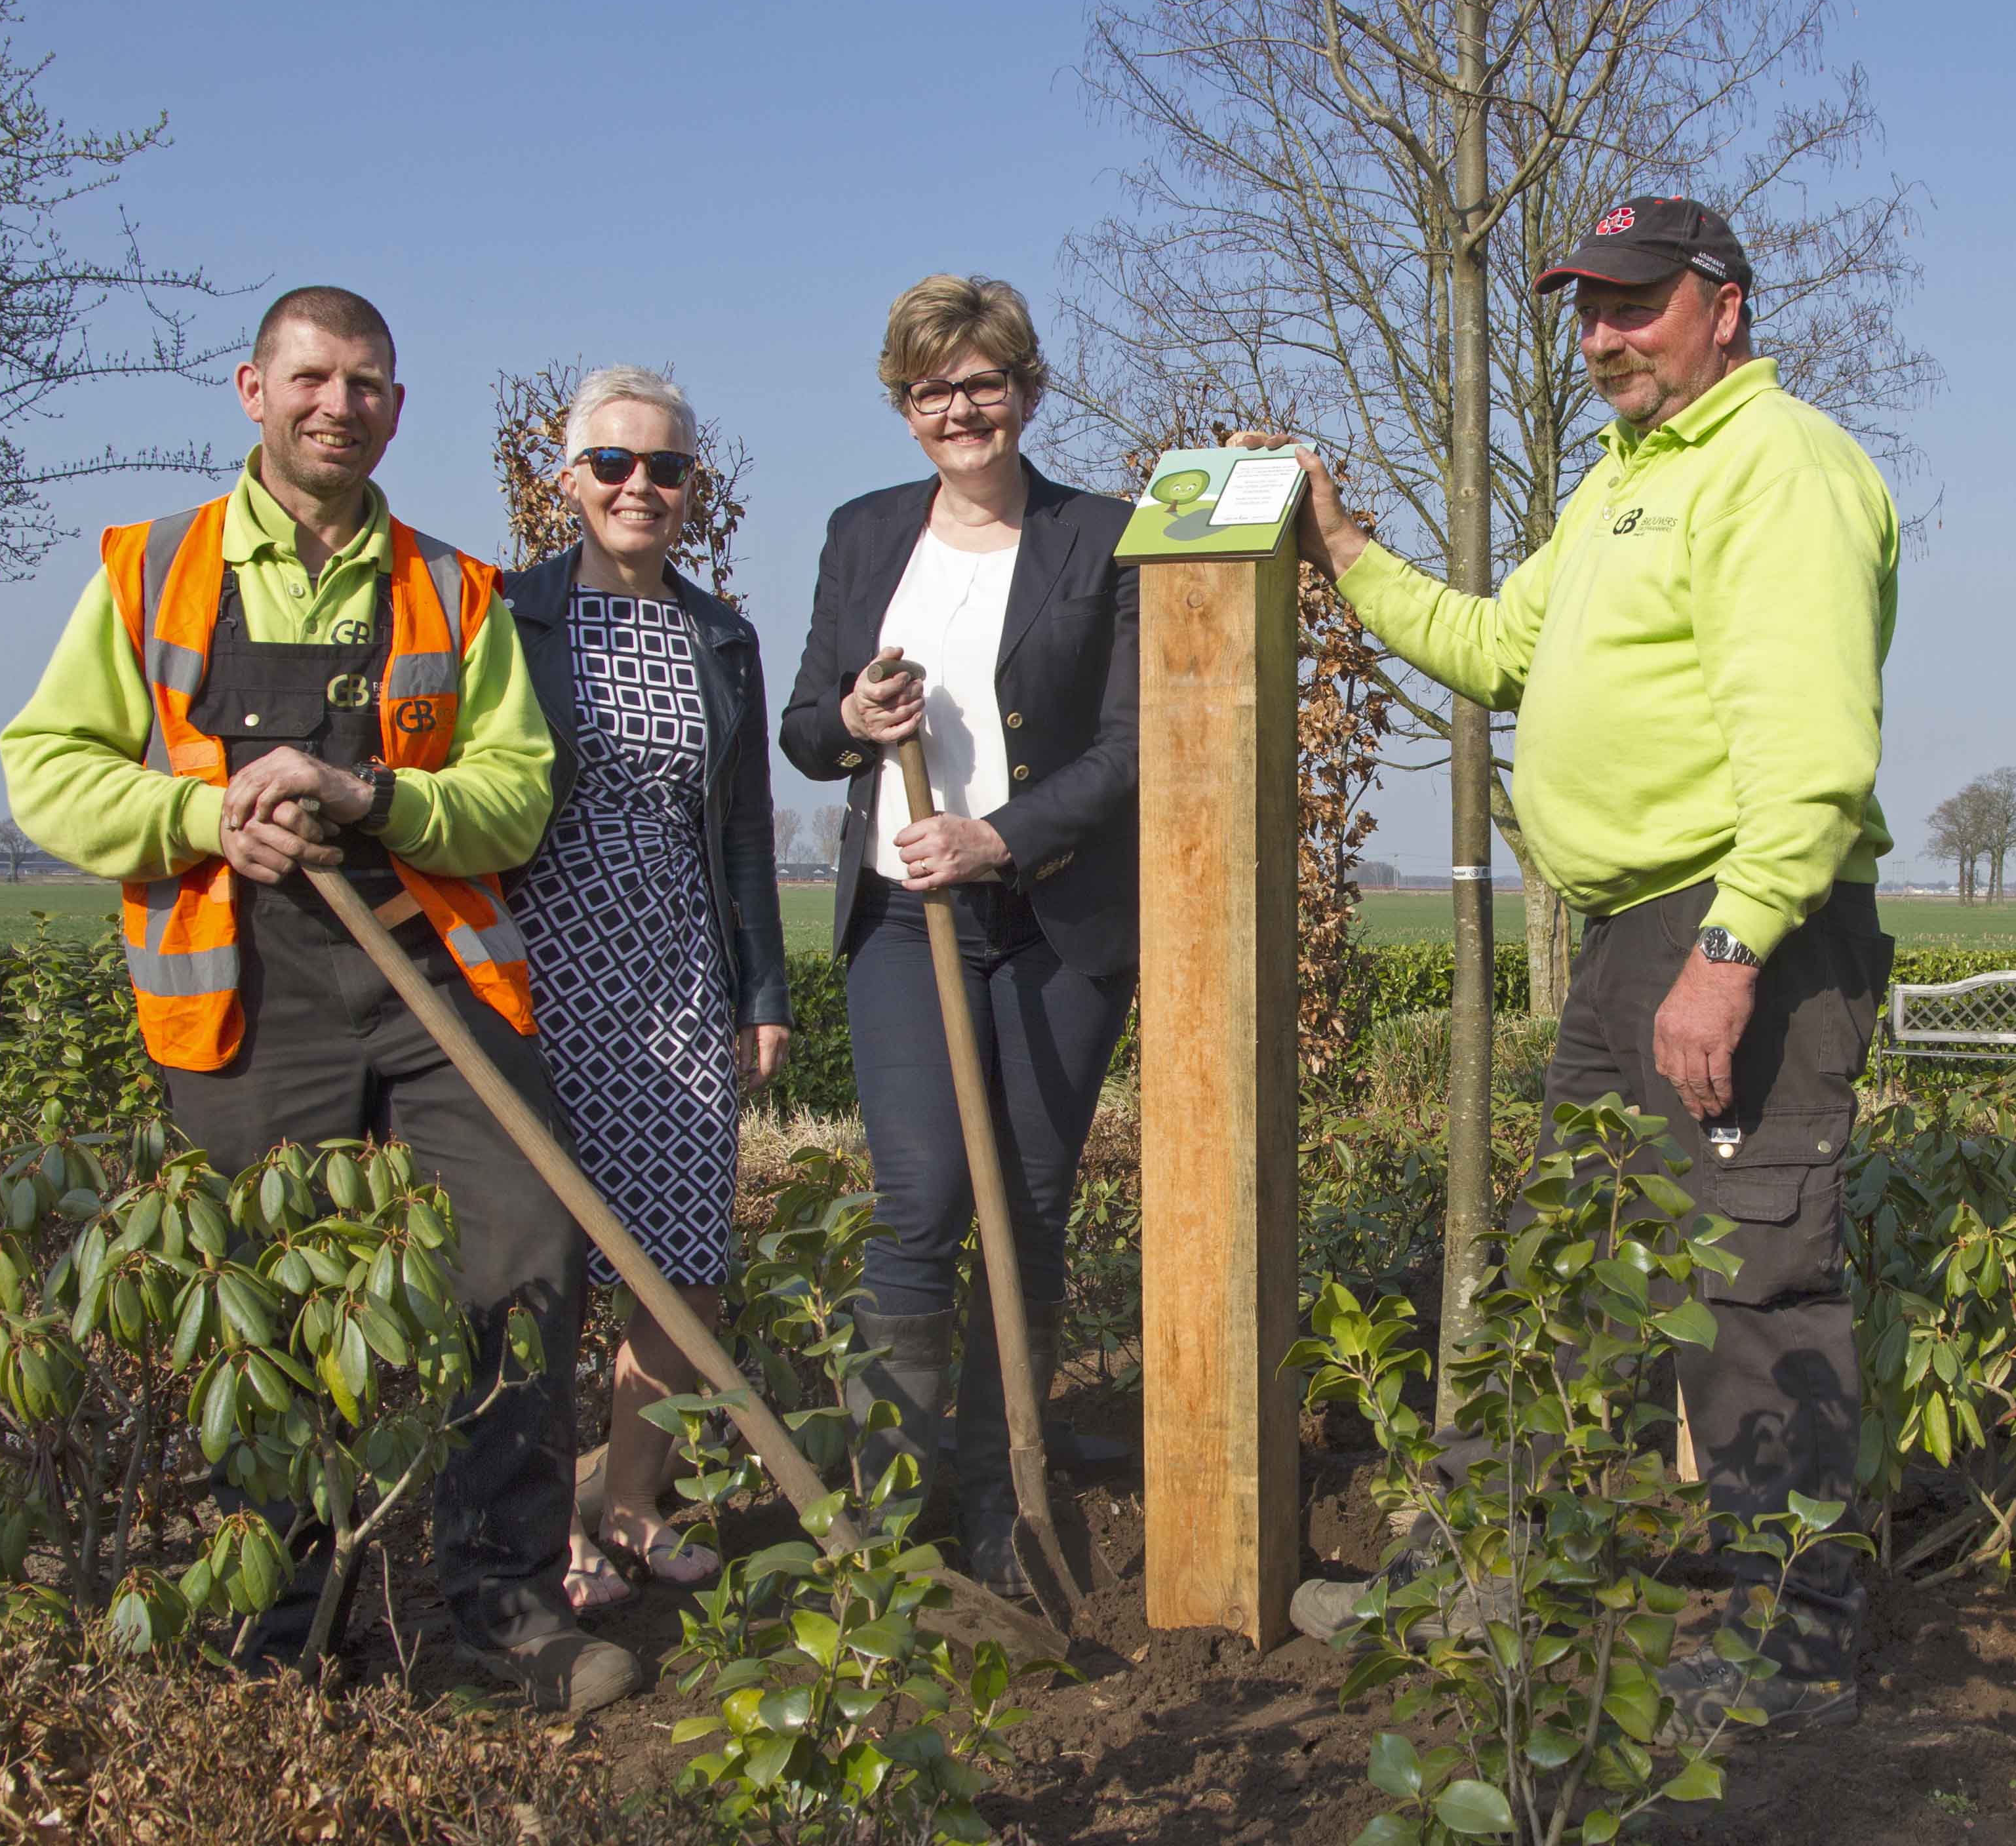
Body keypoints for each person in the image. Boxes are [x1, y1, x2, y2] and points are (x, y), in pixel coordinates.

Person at [1275, 198, 1899, 1738]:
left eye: (1635, 304)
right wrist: (1345, 550)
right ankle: (1485, 1579)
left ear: (1724, 308)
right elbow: (1499, 650)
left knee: (1754, 1278)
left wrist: (1731, 952)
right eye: (1587, 310)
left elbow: (1812, 761)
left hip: (1734, 930)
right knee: (1568, 1276)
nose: (1604, 336)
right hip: (1632, 939)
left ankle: (1790, 1636)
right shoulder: (1621, 486)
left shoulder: (1781, 470)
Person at [0, 287, 637, 1715]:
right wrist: (199, 816)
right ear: (252, 389)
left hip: (430, 976)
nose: (337, 405)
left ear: (396, 410)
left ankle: (499, 1611)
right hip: (244, 988)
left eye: (366, 384)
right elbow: (47, 762)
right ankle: (288, 1629)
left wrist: (374, 793)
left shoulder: (452, 590)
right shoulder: (149, 571)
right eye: (311, 378)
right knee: (270, 1307)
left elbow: (517, 794)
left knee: (523, 1260)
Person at [779, 274, 1138, 1595]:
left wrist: (1004, 833)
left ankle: (1004, 1491)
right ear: (904, 403)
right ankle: (887, 1498)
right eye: (933, 389)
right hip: (903, 918)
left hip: (1055, 921)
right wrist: (856, 722)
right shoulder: (866, 534)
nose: (960, 408)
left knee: (1027, 1208)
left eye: (984, 383)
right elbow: (807, 728)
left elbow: (1132, 743)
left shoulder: (1103, 537)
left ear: (1028, 393)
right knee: (922, 1198)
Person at [504, 365, 791, 1613]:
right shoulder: (507, 617)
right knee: (541, 1264)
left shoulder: (721, 635)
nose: (641, 487)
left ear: (693, 490)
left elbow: (741, 830)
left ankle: (631, 1501)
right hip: (537, 973)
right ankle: (538, 1530)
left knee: (680, 1258)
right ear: (565, 480)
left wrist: (761, 989)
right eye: (613, 464)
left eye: (667, 469)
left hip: (677, 970)